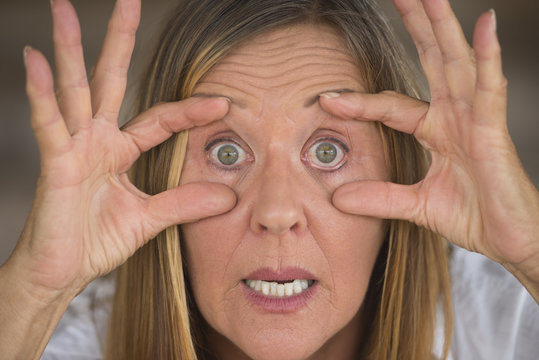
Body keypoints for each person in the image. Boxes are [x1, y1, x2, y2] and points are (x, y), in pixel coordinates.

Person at [0, 0, 538, 359]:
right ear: (160, 181)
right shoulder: (73, 340)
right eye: (226, 150)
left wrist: (531, 251)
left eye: (328, 150)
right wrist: (35, 290)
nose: (277, 212)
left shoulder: (503, 321)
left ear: (401, 176)